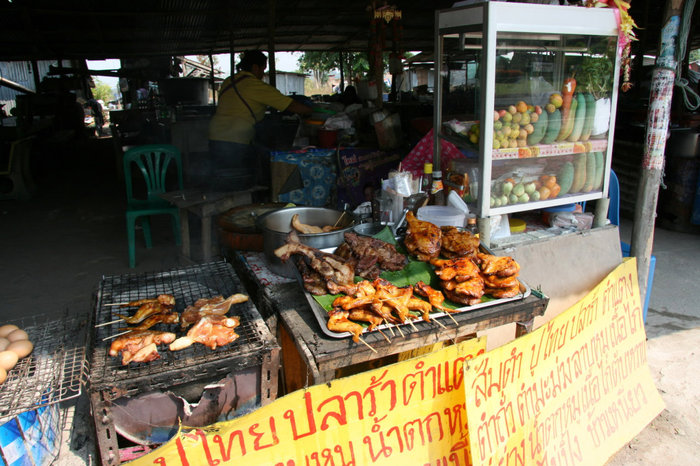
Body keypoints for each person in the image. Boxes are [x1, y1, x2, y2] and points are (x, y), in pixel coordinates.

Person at [208, 50, 312, 191]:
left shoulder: (229, 81)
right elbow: (291, 105)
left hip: (214, 134)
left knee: (222, 178)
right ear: (255, 67)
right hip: (237, 138)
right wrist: (313, 110)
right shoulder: (254, 85)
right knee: (240, 181)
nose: (263, 74)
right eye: (263, 69)